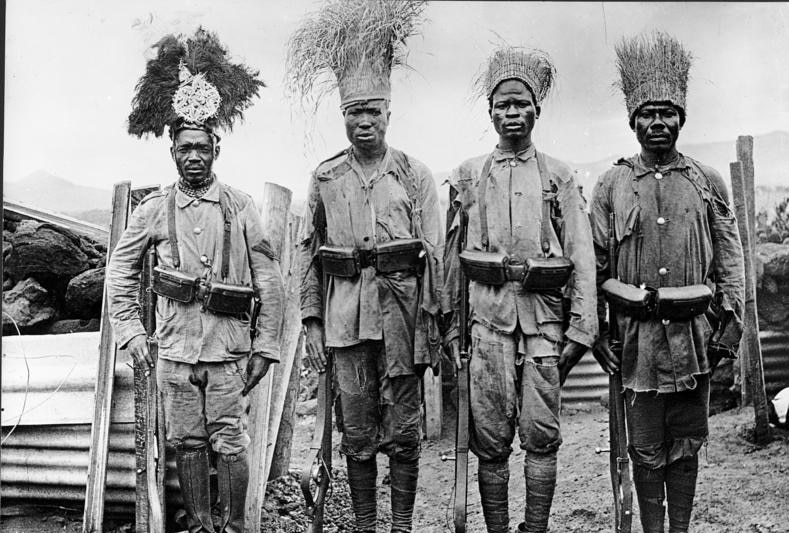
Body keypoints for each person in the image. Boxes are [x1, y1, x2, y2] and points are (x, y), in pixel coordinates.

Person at [107, 28, 284, 533]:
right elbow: (120, 272)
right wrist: (133, 333)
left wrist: (265, 348)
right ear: (172, 151)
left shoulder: (242, 208)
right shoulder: (154, 211)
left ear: (216, 149)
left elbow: (270, 284)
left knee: (230, 441)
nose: (194, 157)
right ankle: (203, 525)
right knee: (187, 441)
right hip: (176, 353)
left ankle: (233, 527)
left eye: (202, 148)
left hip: (228, 355)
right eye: (185, 148)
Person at [287, 2, 442, 532]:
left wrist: (432, 323)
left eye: (374, 110)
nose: (365, 121)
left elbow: (436, 256)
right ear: (343, 117)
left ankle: (400, 526)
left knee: (403, 429)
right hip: (345, 323)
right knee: (356, 432)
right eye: (355, 111)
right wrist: (311, 322)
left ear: (389, 114)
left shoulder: (413, 175)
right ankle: (365, 527)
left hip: (401, 321)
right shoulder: (325, 178)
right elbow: (307, 257)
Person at [590, 31, 745, 533]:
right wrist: (595, 335)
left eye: (667, 113)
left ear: (682, 118)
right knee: (644, 443)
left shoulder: (705, 180)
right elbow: (593, 265)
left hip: (693, 338)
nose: (657, 123)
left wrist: (730, 326)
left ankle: (680, 528)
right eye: (647, 114)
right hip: (634, 343)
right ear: (632, 120)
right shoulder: (611, 184)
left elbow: (730, 259)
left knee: (686, 441)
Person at [442, 47, 598, 533]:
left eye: (520, 104)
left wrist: (582, 328)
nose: (511, 113)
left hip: (543, 326)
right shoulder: (468, 175)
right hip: (486, 324)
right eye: (502, 105)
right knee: (488, 439)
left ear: (537, 110)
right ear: (490, 112)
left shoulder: (559, 175)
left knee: (540, 434)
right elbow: (451, 261)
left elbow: (581, 253)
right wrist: (449, 325)